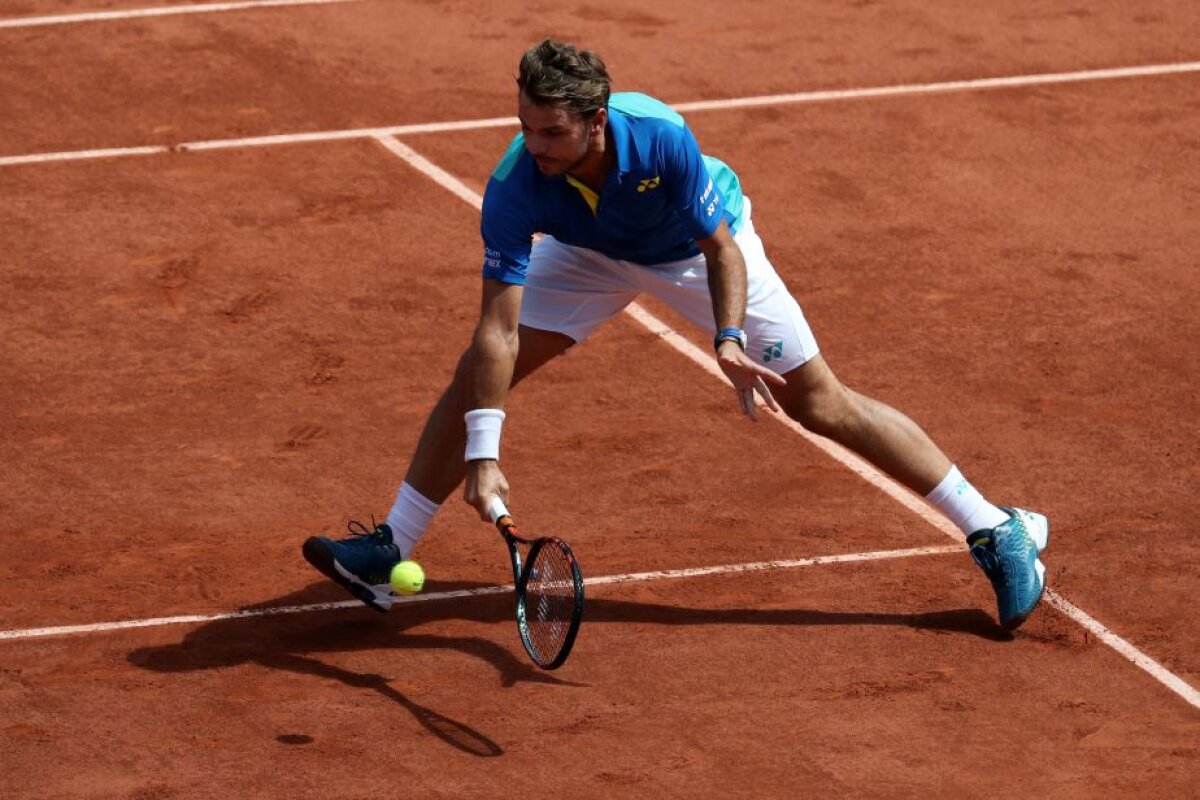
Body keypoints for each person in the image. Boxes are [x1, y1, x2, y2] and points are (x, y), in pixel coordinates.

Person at [303, 39, 1049, 631]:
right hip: (589, 251)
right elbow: (496, 330)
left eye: (553, 133)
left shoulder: (659, 137)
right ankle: (391, 546)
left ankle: (994, 529)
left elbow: (720, 247)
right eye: (526, 128)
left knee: (820, 402)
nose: (536, 146)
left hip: (694, 251)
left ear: (597, 121)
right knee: (474, 373)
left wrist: (727, 340)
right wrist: (485, 451)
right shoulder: (516, 182)